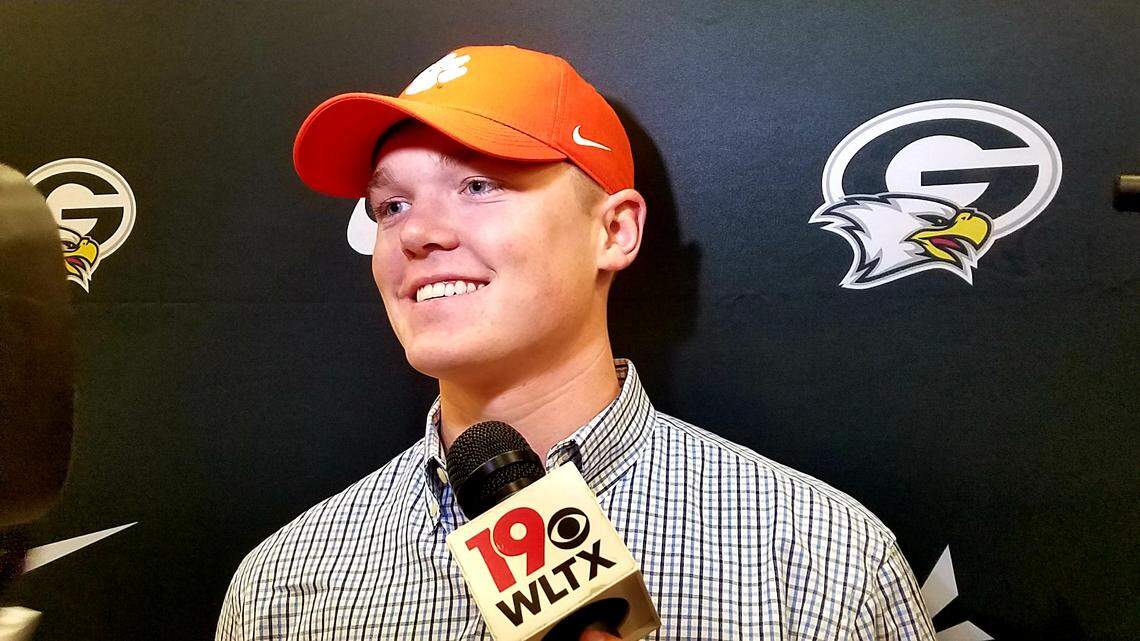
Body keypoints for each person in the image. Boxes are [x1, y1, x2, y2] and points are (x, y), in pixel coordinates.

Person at [215, 44, 936, 641]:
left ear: (614, 229)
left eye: (478, 184)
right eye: (391, 204)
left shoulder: (817, 560)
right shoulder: (284, 585)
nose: (416, 233)